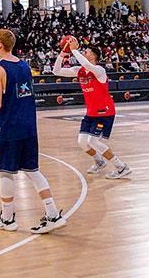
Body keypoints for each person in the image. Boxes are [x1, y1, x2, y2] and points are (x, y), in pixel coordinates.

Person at [0, 29, 66, 234]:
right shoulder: (24, 66)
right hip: (29, 126)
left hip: (9, 127)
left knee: (5, 172)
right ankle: (53, 214)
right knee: (32, 170)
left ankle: (7, 219)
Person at [52, 38, 131, 179]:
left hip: (104, 111)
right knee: (82, 142)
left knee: (93, 141)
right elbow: (56, 71)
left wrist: (74, 50)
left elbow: (86, 64)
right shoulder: (79, 70)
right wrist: (63, 53)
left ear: (93, 56)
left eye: (86, 52)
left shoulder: (100, 70)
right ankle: (99, 161)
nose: (83, 52)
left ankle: (121, 167)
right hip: (91, 112)